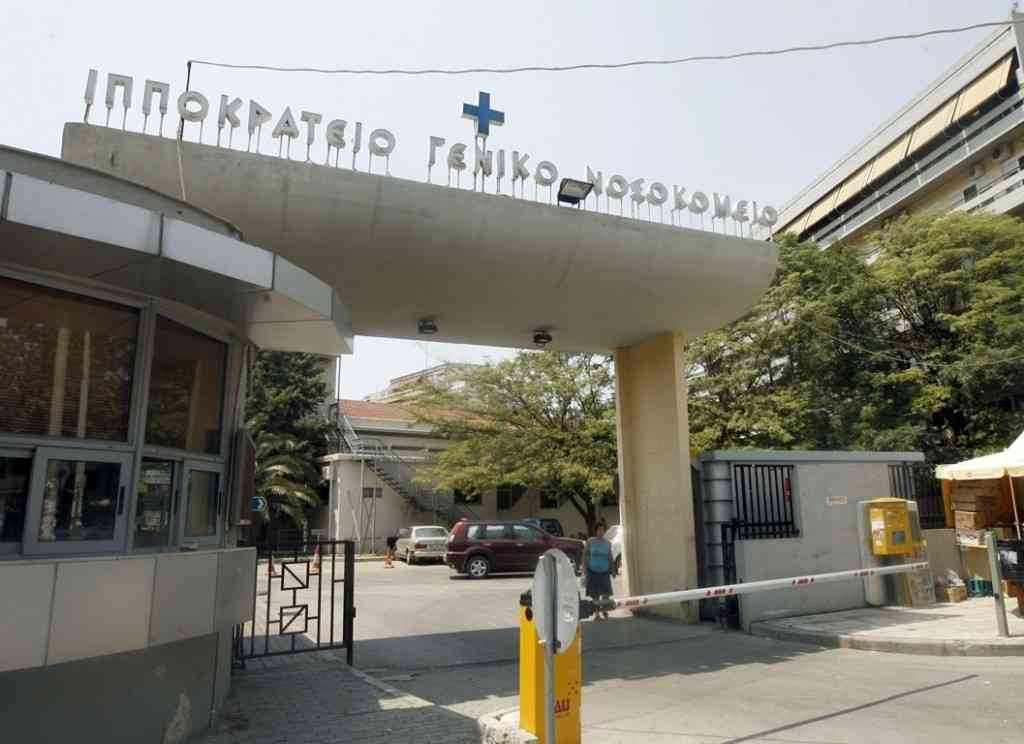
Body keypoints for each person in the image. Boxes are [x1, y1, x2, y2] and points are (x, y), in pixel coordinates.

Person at [582, 522, 616, 620]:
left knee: (606, 593)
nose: (601, 532)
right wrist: (584, 569)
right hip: (593, 571)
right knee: (595, 594)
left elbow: (610, 557)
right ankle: (597, 614)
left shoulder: (607, 543)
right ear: (596, 531)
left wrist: (613, 569)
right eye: (599, 530)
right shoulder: (590, 541)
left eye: (602, 530)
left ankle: (604, 609)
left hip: (604, 571)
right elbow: (585, 555)